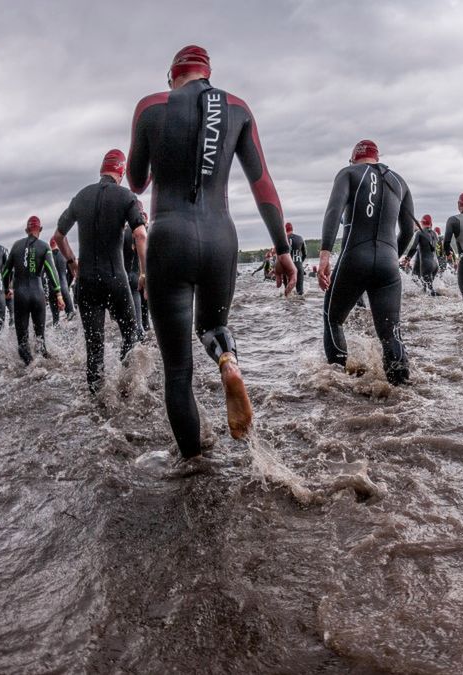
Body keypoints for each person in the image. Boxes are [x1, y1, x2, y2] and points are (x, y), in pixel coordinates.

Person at [127, 45, 297, 457]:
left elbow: (134, 181)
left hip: (169, 237)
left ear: (173, 76)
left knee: (178, 373)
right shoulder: (237, 108)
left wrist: (159, 153)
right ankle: (228, 363)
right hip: (222, 238)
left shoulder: (151, 107)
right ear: (207, 73)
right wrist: (283, 249)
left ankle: (193, 467)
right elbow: (263, 185)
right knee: (212, 328)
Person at [318, 139, 415, 383]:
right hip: (387, 264)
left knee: (333, 319)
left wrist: (325, 255)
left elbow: (333, 212)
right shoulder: (400, 182)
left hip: (354, 259)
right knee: (390, 332)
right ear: (377, 158)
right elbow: (408, 231)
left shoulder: (348, 173)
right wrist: (393, 256)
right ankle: (400, 388)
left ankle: (337, 384)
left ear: (353, 159)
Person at [54, 149, 145, 391]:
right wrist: (145, 273)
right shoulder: (126, 196)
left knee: (94, 348)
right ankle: (125, 388)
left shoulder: (81, 196)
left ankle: (98, 404)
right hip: (116, 279)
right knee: (131, 334)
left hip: (86, 283)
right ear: (121, 172)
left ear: (101, 170)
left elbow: (58, 236)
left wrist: (73, 263)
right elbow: (140, 234)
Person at [5, 216, 64, 365]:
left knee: (22, 344)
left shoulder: (16, 246)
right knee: (40, 341)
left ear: (27, 230)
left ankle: (31, 369)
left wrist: (6, 289)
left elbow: (5, 272)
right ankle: (44, 371)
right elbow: (52, 271)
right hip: (38, 296)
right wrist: (58, 294)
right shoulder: (44, 247)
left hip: (20, 297)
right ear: (40, 230)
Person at [121, 216, 150, 340]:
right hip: (140, 276)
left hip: (127, 276)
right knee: (142, 323)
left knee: (134, 318)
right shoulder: (142, 230)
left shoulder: (123, 231)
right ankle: (143, 345)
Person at [403, 214, 440, 295]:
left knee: (430, 292)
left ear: (422, 223)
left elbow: (413, 248)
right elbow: (427, 247)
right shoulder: (434, 234)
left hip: (426, 265)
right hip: (435, 266)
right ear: (431, 223)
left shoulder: (419, 233)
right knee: (424, 287)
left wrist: (407, 258)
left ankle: (441, 303)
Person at [47, 235, 76, 325]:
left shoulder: (47, 256)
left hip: (52, 290)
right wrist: (67, 286)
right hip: (64, 287)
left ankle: (54, 338)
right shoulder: (64, 254)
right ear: (58, 244)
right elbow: (71, 274)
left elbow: (42, 277)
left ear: (50, 245)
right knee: (70, 315)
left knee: (55, 320)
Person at [284, 222, 308, 296]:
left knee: (287, 293)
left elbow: (279, 256)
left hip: (287, 267)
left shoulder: (283, 239)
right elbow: (305, 253)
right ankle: (301, 307)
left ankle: (287, 307)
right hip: (298, 266)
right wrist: (300, 262)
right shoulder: (300, 238)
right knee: (300, 293)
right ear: (292, 229)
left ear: (285, 230)